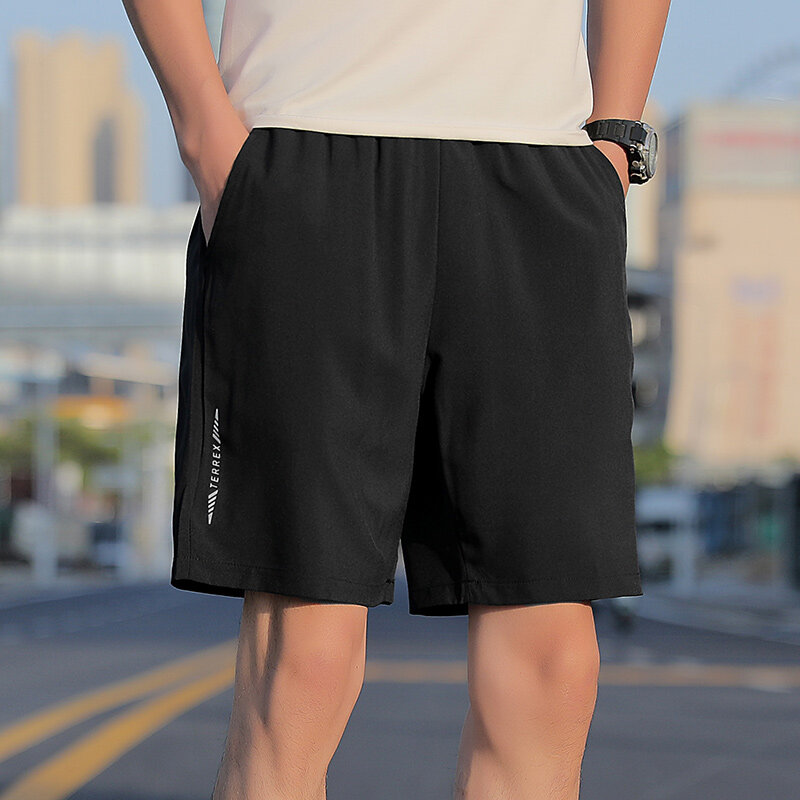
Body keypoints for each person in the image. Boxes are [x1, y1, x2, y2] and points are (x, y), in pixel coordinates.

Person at [123, 0, 670, 797]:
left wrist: (614, 141)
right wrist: (206, 133)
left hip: (542, 165)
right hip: (310, 144)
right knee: (304, 658)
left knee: (552, 658)